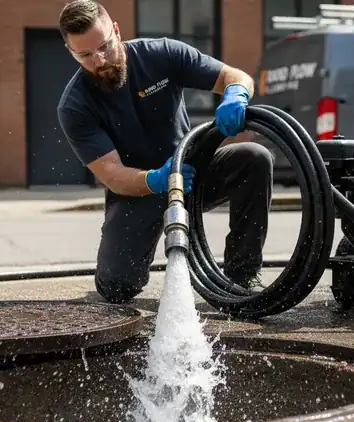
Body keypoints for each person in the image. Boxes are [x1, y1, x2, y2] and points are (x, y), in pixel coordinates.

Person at [55, 0, 272, 304]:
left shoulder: (161, 55)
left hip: (191, 174)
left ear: (116, 30)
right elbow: (113, 174)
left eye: (104, 46)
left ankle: (242, 275)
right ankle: (119, 279)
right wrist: (157, 179)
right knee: (116, 286)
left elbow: (234, 76)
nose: (100, 60)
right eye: (86, 55)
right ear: (70, 51)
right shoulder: (75, 106)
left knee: (254, 158)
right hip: (140, 189)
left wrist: (236, 94)